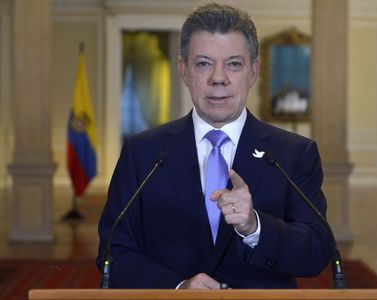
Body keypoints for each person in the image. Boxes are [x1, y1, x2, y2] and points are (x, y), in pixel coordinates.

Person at [97, 2, 332, 289]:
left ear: (253, 71)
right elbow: (113, 254)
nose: (218, 78)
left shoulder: (293, 154)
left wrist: (255, 227)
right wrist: (179, 287)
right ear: (184, 71)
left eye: (233, 64)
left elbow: (317, 252)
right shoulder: (142, 153)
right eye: (204, 63)